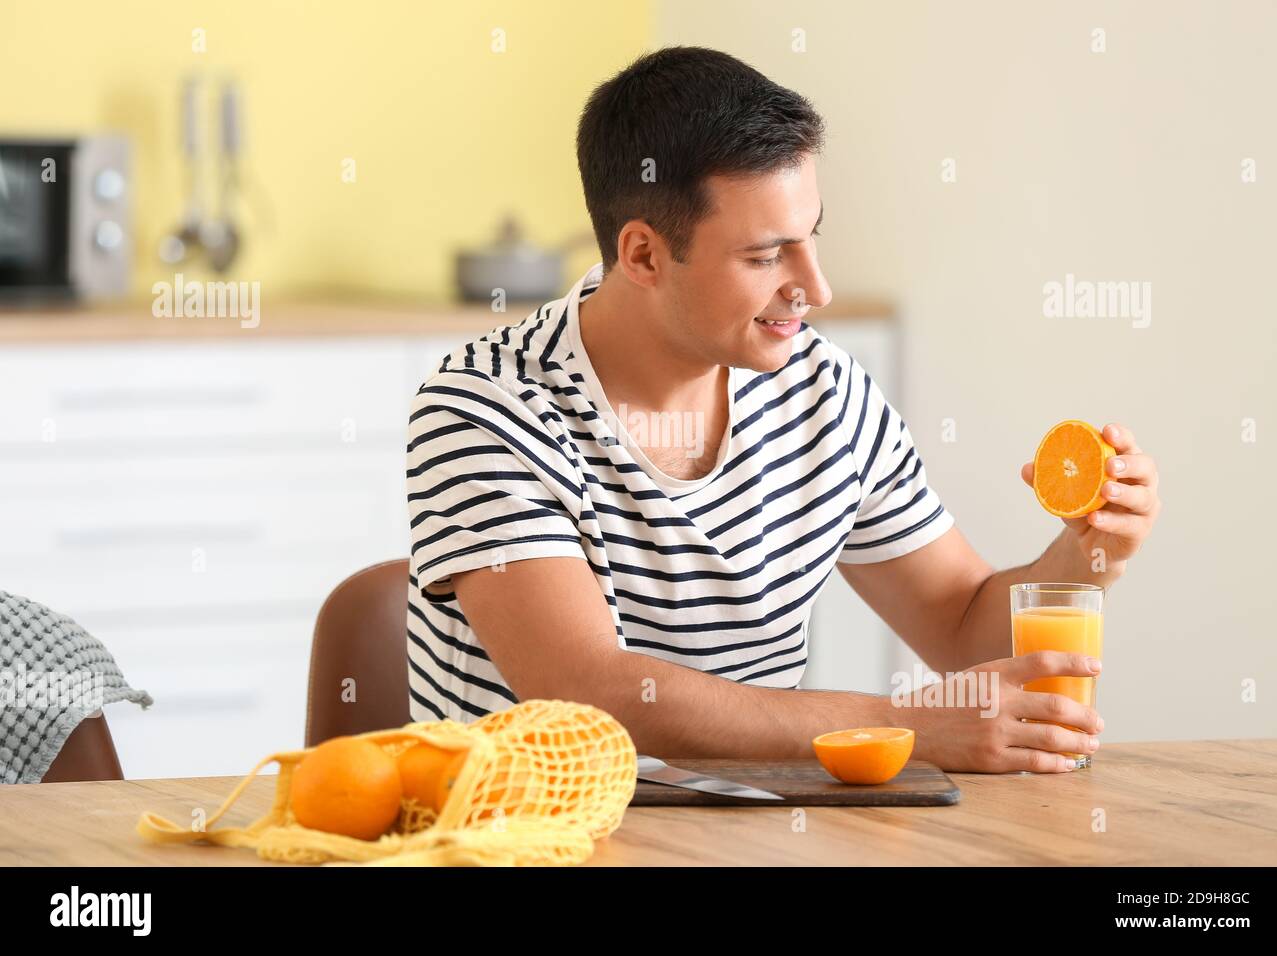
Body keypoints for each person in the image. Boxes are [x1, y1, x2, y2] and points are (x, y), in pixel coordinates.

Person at [405, 46, 1161, 772]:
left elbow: (962, 632)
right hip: (531, 838)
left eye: (811, 239)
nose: (816, 287)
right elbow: (589, 694)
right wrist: (908, 728)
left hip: (760, 834)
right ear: (642, 255)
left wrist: (1089, 553)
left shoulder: (825, 392)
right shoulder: (486, 409)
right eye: (766, 255)